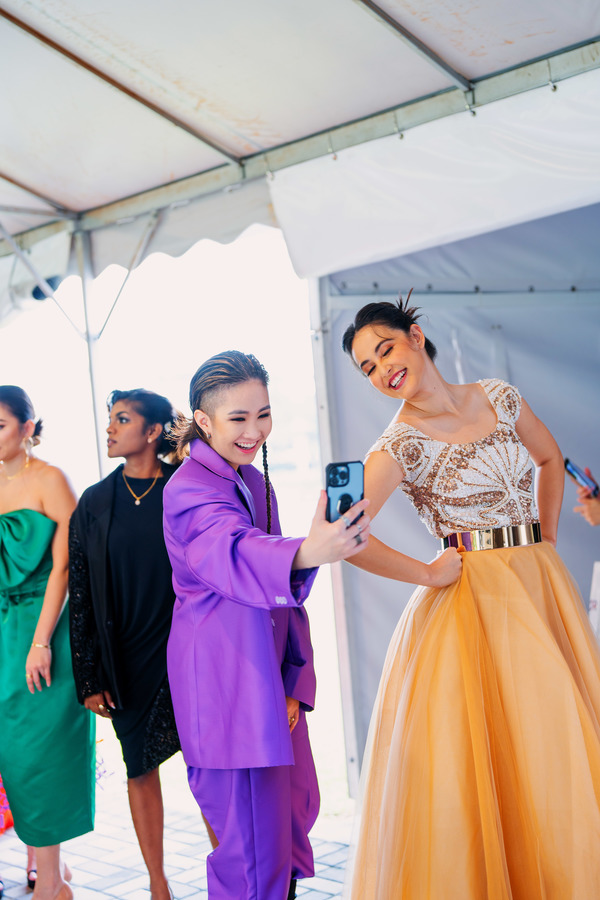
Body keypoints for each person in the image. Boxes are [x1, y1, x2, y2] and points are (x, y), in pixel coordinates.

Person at [340, 297, 600, 899]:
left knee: (558, 735)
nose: (383, 370)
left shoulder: (498, 396)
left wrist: (548, 534)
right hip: (472, 604)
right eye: (368, 368)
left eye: (385, 350)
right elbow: (347, 538)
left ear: (416, 335)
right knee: (503, 751)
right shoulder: (396, 445)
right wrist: (427, 574)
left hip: (537, 583)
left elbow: (549, 458)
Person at [162, 350, 371, 900]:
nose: (255, 431)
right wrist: (306, 551)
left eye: (264, 414)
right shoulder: (187, 491)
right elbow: (231, 551)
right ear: (203, 422)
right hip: (225, 681)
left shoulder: (252, 481)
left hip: (264, 676)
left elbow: (283, 599)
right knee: (249, 852)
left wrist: (293, 683)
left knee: (279, 832)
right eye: (238, 418)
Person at [68, 389, 182, 900]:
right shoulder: (95, 502)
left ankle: (232, 877)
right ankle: (158, 884)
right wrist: (89, 676)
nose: (110, 428)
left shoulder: (186, 488)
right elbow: (82, 590)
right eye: (110, 419)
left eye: (122, 419)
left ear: (153, 431)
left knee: (209, 770)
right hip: (127, 656)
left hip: (186, 651)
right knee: (140, 768)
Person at [0, 385, 95, 900]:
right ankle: (36, 862)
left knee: (41, 750)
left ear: (29, 427)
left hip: (44, 626)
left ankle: (52, 881)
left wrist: (41, 642)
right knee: (8, 751)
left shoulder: (52, 480)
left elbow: (64, 567)